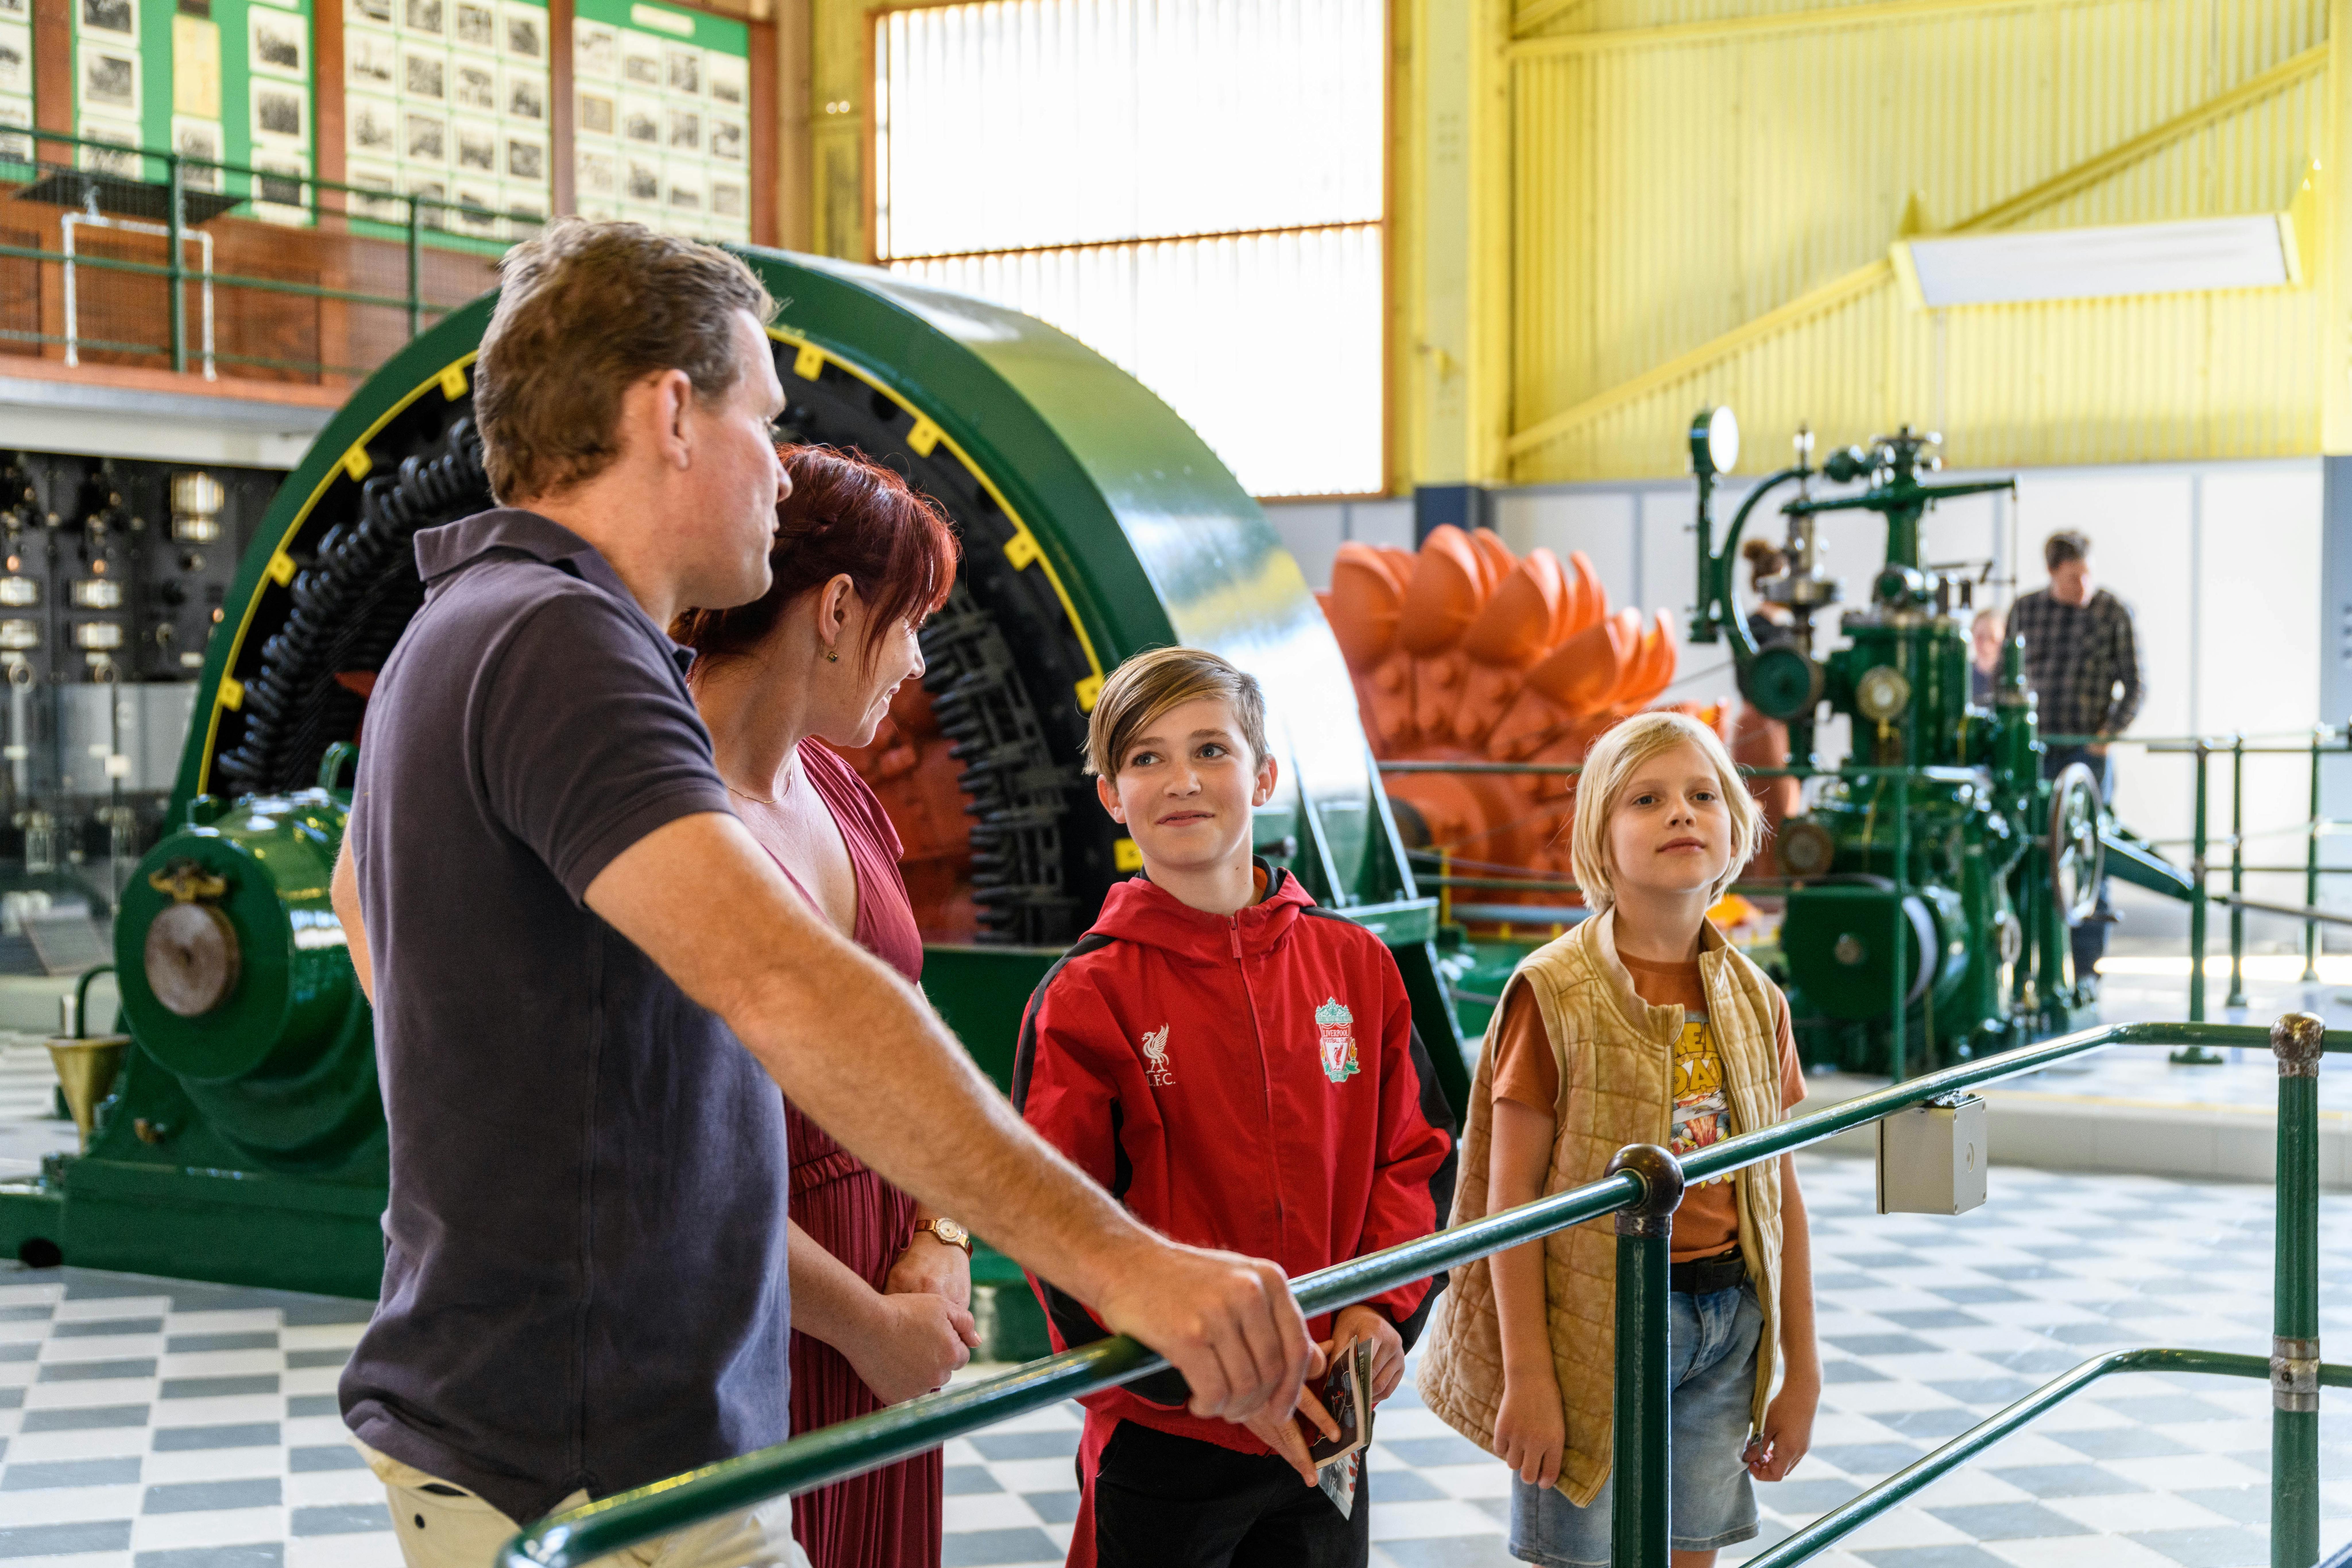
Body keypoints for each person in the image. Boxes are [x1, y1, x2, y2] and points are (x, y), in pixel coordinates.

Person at [327, 220, 1322, 1568]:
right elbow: (788, 985)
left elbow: (379, 910)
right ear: (671, 414)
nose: (776, 480)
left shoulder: (470, 622)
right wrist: (1132, 1269)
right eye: (762, 418)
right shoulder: (559, 641)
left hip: (575, 1440)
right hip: (588, 1466)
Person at [1012, 647, 1459, 1568]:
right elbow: (1054, 1228)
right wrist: (1206, 1373)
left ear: (1264, 774)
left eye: (1211, 749)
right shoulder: (1087, 997)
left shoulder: (1356, 968)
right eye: (1144, 757)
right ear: (1109, 793)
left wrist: (1382, 1308)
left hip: (1328, 1411)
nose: (1180, 780)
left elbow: (1415, 1155)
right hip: (1169, 1429)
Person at [1416, 710, 1819, 1568]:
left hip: (1728, 1322)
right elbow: (1509, 1200)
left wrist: (1802, 1366)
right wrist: (1528, 1373)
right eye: (1647, 798)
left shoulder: (1758, 998)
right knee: (1583, 1555)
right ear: (1601, 839)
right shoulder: (1553, 992)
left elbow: (1779, 1191)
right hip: (1592, 1332)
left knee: (1690, 1551)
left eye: (1702, 794)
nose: (1681, 812)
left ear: (1737, 824)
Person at [674, 444, 976, 1568]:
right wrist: (865, 1324)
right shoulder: (668, 818)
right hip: (765, 1308)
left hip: (896, 1292)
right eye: (909, 619)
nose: (916, 657)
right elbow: (678, 1160)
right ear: (840, 610)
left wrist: (942, 1236)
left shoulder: (839, 784)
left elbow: (911, 1044)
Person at [2005, 529, 2141, 985]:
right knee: (2026, 849)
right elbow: (2009, 681)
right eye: (2071, 578)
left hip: (2089, 753)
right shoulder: (2025, 610)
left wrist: (2108, 734)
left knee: (2088, 850)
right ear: (2051, 574)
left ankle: (2086, 968)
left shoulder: (2112, 611)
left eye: (2086, 575)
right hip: (2035, 752)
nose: (2082, 586)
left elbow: (2137, 685)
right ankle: (2024, 962)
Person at [1969, 607, 2003, 706]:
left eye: (1993, 639)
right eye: (1980, 637)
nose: (1986, 646)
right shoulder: (1963, 675)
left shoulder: (2010, 679)